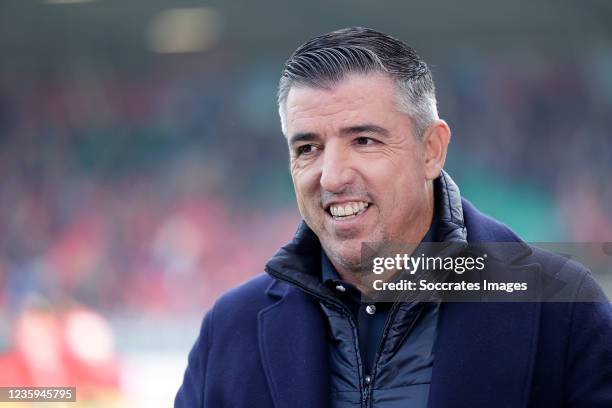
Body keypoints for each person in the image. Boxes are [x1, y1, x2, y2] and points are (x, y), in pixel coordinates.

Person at [175, 27, 612, 407]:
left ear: (432, 150)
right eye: (308, 148)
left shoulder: (562, 310)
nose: (332, 176)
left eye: (364, 140)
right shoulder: (230, 330)